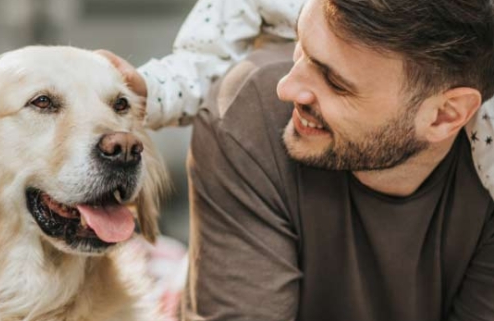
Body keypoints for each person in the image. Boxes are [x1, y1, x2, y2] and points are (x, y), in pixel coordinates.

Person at [104, 0, 494, 319]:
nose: (287, 88)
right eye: (301, 47)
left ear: (446, 115)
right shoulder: (251, 111)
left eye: (337, 83)